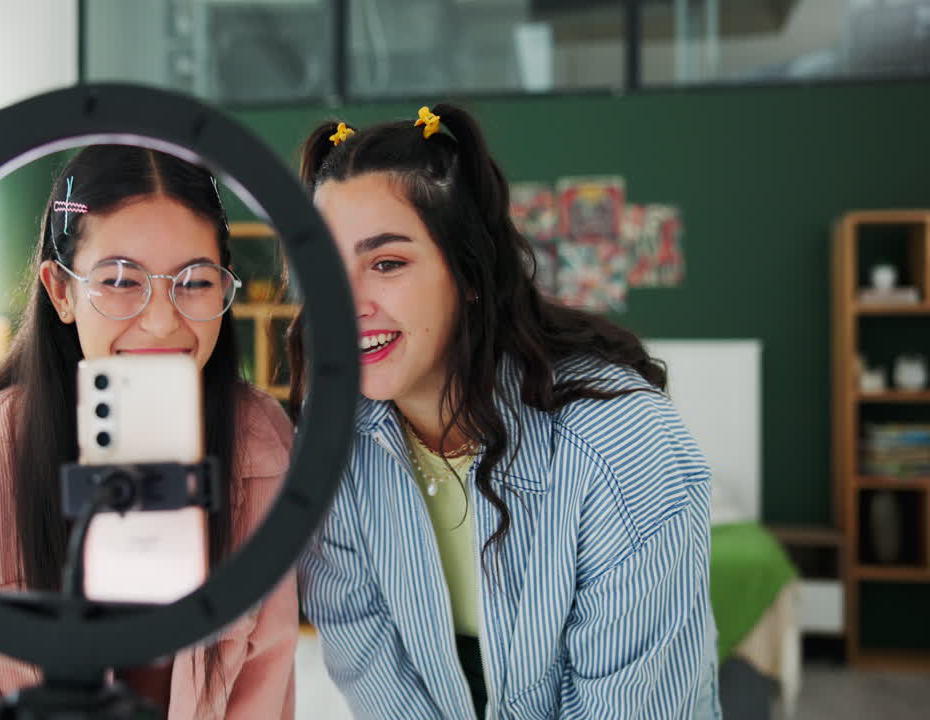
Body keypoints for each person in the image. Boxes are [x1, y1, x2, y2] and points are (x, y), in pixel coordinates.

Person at [291, 106, 720, 718]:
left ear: (468, 271)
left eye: (386, 263)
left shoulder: (623, 447)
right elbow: (367, 656)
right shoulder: (331, 439)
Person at [0, 145, 298, 720]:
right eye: (119, 280)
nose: (163, 320)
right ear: (61, 291)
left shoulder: (262, 445)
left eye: (195, 282)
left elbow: (263, 694)